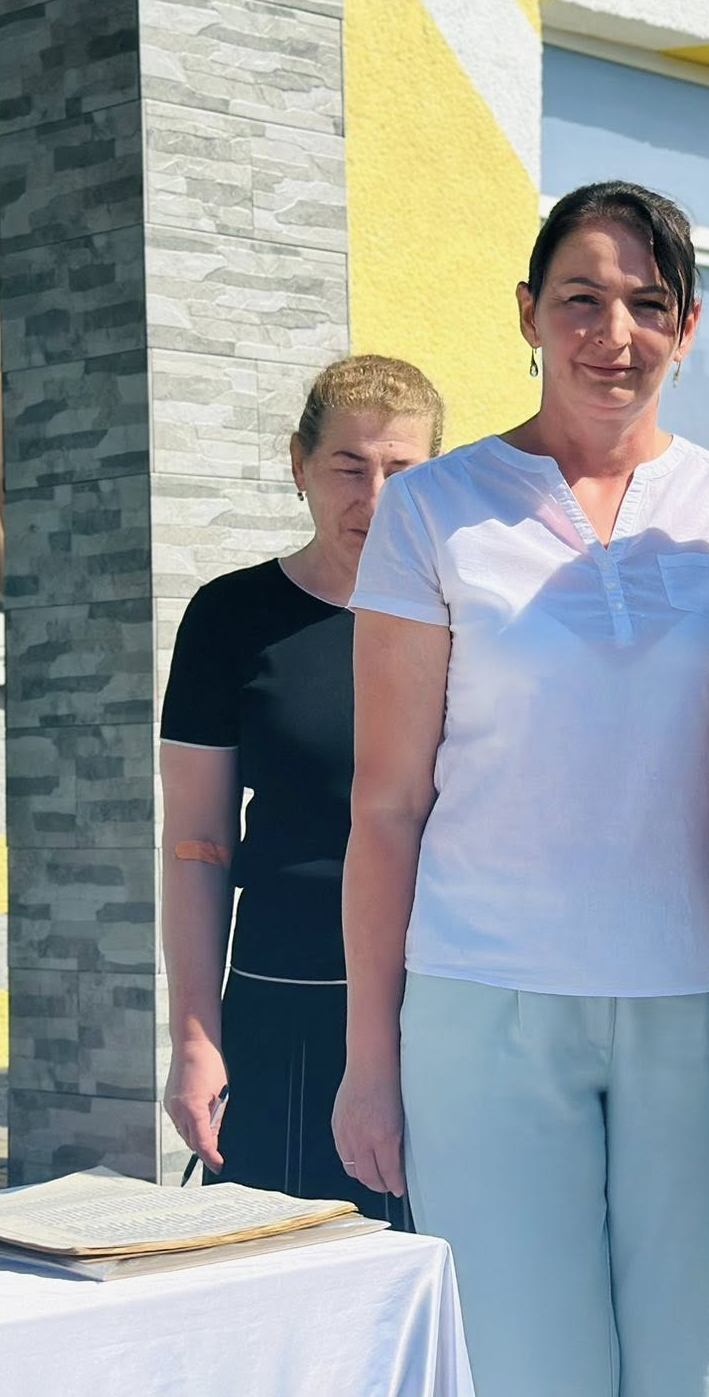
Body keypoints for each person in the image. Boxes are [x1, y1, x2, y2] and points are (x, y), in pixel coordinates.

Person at [332, 181, 709, 1395]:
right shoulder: (432, 510)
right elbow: (385, 807)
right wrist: (370, 1060)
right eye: (580, 298)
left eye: (648, 303)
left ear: (688, 328)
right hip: (486, 1008)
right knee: (526, 1369)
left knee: (701, 1368)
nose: (612, 333)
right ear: (527, 313)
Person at [160, 353, 444, 1223]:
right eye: (349, 467)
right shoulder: (231, 618)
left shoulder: (468, 621)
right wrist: (195, 1039)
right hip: (284, 1001)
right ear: (299, 465)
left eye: (402, 471)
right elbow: (197, 846)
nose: (375, 497)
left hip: (447, 1001)